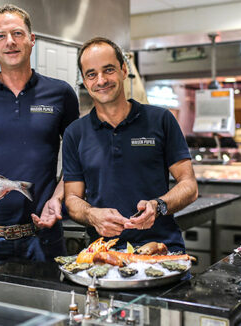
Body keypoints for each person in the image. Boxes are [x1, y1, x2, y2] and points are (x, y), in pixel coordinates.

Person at [0, 4, 79, 262]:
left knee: (51, 303)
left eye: (17, 34)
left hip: (43, 235)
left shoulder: (61, 93)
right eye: (1, 36)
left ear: (32, 40)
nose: (10, 42)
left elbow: (75, 161)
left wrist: (57, 199)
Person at [62, 37, 198, 252]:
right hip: (103, 253)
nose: (101, 80)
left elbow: (189, 186)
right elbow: (72, 198)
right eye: (91, 74)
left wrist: (159, 206)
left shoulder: (160, 120)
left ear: (124, 70)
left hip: (162, 248)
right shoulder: (75, 133)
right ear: (84, 81)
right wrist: (91, 214)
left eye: (108, 70)